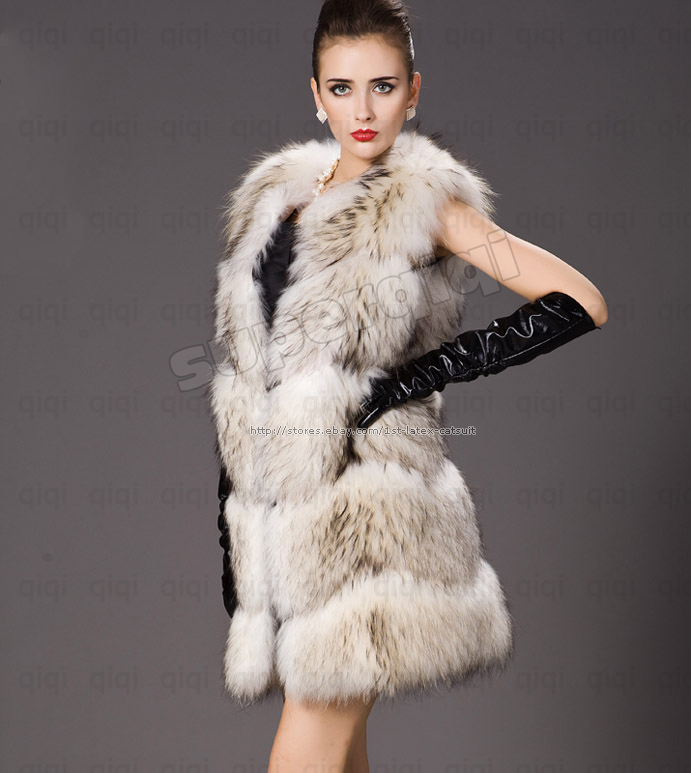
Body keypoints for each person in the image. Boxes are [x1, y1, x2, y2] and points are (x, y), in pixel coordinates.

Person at [210, 0, 608, 770]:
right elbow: (247, 381)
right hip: (285, 531)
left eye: (384, 86)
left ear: (413, 92)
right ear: (316, 94)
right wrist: (236, 533)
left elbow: (579, 301)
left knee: (309, 743)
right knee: (341, 751)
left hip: (372, 523)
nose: (363, 110)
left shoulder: (425, 205)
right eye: (343, 87)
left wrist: (426, 372)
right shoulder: (271, 204)